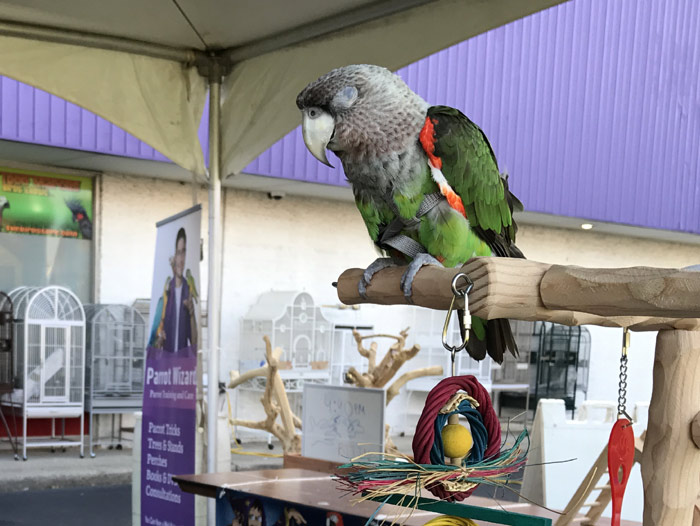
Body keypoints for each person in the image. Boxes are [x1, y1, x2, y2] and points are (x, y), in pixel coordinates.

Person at [156, 227, 197, 352]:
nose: (180, 260)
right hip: (166, 366)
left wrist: (191, 314)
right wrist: (159, 339)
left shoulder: (188, 291)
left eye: (183, 252)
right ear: (175, 255)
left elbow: (195, 343)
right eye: (178, 253)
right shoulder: (166, 293)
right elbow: (156, 344)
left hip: (182, 366)